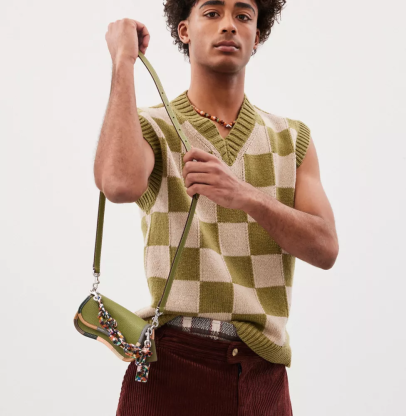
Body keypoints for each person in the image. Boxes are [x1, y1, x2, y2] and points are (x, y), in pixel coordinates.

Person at [94, 1, 339, 414]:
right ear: (184, 30)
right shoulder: (152, 127)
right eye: (212, 13)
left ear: (257, 35)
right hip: (171, 364)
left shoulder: (291, 138)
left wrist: (244, 194)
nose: (228, 25)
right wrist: (123, 61)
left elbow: (326, 248)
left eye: (243, 16)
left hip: (262, 372)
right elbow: (117, 184)